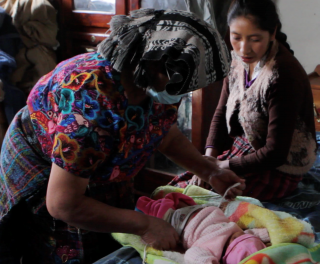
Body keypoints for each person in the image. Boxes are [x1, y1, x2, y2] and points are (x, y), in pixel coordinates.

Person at [0, 9, 246, 264]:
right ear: (153, 64)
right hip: (47, 170)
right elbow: (63, 204)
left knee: (110, 234)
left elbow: (164, 135)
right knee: (64, 246)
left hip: (86, 159)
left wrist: (209, 170)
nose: (184, 93)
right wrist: (145, 225)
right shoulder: (89, 103)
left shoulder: (152, 83)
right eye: (183, 85)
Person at [170, 0, 317, 201]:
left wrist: (220, 168)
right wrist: (209, 162)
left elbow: (275, 154)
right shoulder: (237, 60)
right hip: (244, 150)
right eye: (236, 37)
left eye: (255, 39)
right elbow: (221, 114)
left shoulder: (283, 75)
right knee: (180, 189)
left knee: (206, 200)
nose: (244, 49)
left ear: (272, 33)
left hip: (278, 166)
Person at [136, 193, 268, 264]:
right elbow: (251, 233)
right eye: (239, 237)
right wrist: (269, 234)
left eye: (234, 239)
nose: (237, 236)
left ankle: (146, 205)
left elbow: (192, 254)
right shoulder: (239, 234)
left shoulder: (211, 250)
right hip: (204, 211)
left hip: (180, 223)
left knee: (159, 213)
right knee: (174, 203)